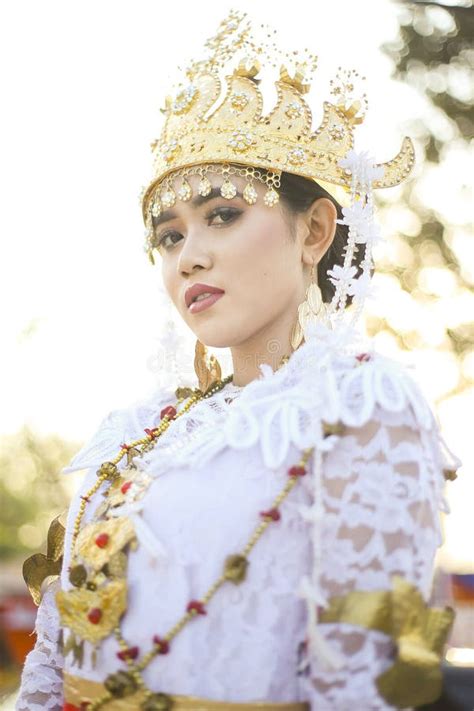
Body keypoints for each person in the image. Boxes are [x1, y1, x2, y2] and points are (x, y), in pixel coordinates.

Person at [16, 10, 461, 711]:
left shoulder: (362, 406)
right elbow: (50, 667)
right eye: (168, 235)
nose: (188, 255)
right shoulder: (138, 428)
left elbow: (362, 688)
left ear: (313, 230)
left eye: (222, 213)